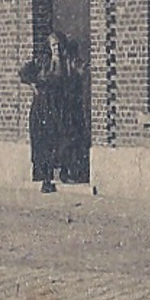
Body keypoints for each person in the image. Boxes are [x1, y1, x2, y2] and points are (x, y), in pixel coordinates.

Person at [19, 31, 88, 193]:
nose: (56, 48)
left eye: (58, 45)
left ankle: (65, 172)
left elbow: (81, 72)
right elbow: (24, 73)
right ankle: (46, 178)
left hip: (61, 107)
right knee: (44, 142)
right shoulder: (42, 62)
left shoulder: (68, 62)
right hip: (43, 107)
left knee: (63, 139)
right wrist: (33, 85)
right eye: (53, 45)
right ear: (49, 47)